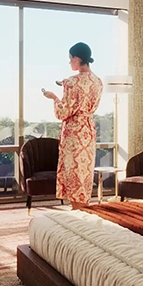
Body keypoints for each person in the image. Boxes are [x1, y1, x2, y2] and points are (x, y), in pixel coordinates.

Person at [42, 42, 103, 209]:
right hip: (88, 130)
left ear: (77, 58)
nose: (69, 63)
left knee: (73, 171)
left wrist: (54, 97)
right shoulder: (98, 82)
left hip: (74, 132)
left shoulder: (71, 81)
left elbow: (63, 112)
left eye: (70, 59)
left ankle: (77, 210)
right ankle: (82, 208)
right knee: (84, 172)